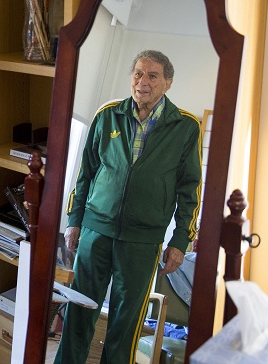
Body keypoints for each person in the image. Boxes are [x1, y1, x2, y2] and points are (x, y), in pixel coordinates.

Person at [54, 50, 202, 364]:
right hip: (96, 230)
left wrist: (180, 242)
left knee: (127, 321)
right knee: (78, 310)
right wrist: (74, 220)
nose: (142, 82)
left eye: (152, 75)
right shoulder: (107, 114)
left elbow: (190, 191)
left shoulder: (186, 127)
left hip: (143, 240)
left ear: (167, 83)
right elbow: (86, 173)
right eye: (138, 73)